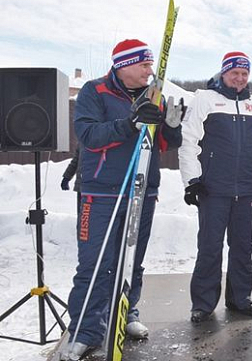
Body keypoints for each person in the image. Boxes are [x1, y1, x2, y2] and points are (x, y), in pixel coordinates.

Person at [63, 39, 183, 360]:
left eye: (151, 64)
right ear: (124, 65)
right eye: (144, 64)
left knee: (131, 260)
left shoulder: (153, 97)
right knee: (96, 263)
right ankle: (85, 331)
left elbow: (165, 144)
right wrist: (129, 123)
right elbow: (89, 135)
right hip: (101, 192)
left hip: (143, 191)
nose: (150, 70)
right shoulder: (95, 91)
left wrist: (171, 124)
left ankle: (124, 314)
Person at [178, 52, 252, 323]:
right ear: (223, 73)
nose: (240, 78)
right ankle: (203, 303)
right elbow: (188, 141)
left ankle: (240, 299)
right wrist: (192, 181)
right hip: (213, 188)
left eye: (245, 74)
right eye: (235, 72)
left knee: (243, 246)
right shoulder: (205, 99)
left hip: (246, 188)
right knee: (210, 246)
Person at [61, 145, 82, 216]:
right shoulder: (83, 141)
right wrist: (66, 177)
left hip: (99, 187)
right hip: (82, 186)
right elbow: (75, 161)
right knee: (82, 216)